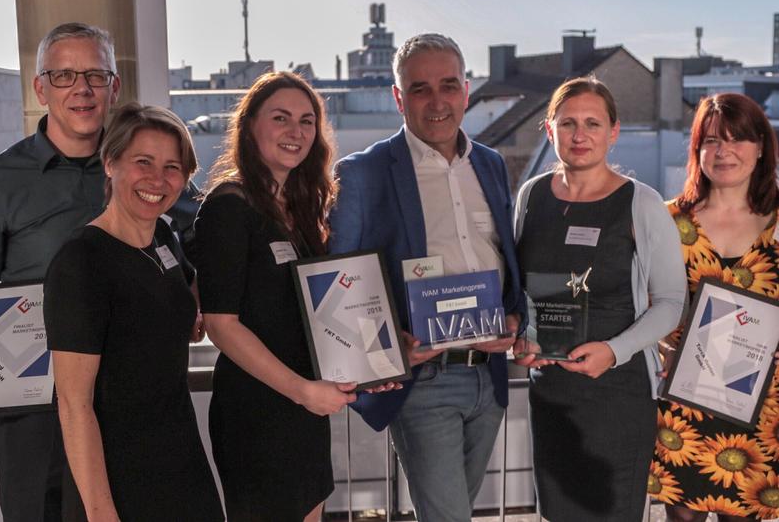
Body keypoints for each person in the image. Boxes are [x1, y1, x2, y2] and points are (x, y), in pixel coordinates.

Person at [328, 33, 526, 522]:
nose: (437, 102)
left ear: (466, 88)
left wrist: (517, 317)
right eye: (419, 89)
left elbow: (504, 257)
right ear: (398, 97)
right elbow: (338, 282)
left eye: (448, 86)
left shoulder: (491, 164)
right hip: (424, 379)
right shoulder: (363, 173)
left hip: (490, 376)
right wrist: (384, 346)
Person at [513, 76, 686, 521]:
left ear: (614, 131)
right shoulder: (530, 197)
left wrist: (614, 351)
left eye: (593, 122)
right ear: (549, 129)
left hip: (618, 393)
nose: (579, 135)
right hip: (552, 393)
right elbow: (521, 291)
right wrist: (524, 336)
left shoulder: (641, 204)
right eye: (567, 123)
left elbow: (670, 302)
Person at [44, 103, 223, 521]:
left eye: (172, 167)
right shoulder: (82, 261)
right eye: (143, 162)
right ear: (110, 162)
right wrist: (101, 511)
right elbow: (74, 404)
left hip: (181, 458)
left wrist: (186, 318)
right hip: (117, 476)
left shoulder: (162, 235)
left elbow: (173, 299)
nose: (158, 180)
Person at [194, 71, 355, 522]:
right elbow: (222, 326)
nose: (296, 132)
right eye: (281, 118)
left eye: (307, 121)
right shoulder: (229, 206)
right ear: (250, 127)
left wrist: (366, 363)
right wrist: (302, 391)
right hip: (258, 410)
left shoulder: (300, 210)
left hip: (305, 404)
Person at [0, 22, 119, 521]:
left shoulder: (142, 169)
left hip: (129, 401)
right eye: (63, 76)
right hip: (35, 409)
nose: (81, 89)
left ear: (114, 87)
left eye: (95, 76)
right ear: (40, 88)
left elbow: (196, 245)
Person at [650, 93, 779, 521]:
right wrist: (659, 347)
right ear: (697, 151)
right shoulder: (669, 221)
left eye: (737, 139)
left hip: (759, 403)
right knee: (680, 518)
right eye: (711, 141)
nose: (723, 151)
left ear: (761, 146)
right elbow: (642, 302)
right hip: (683, 402)